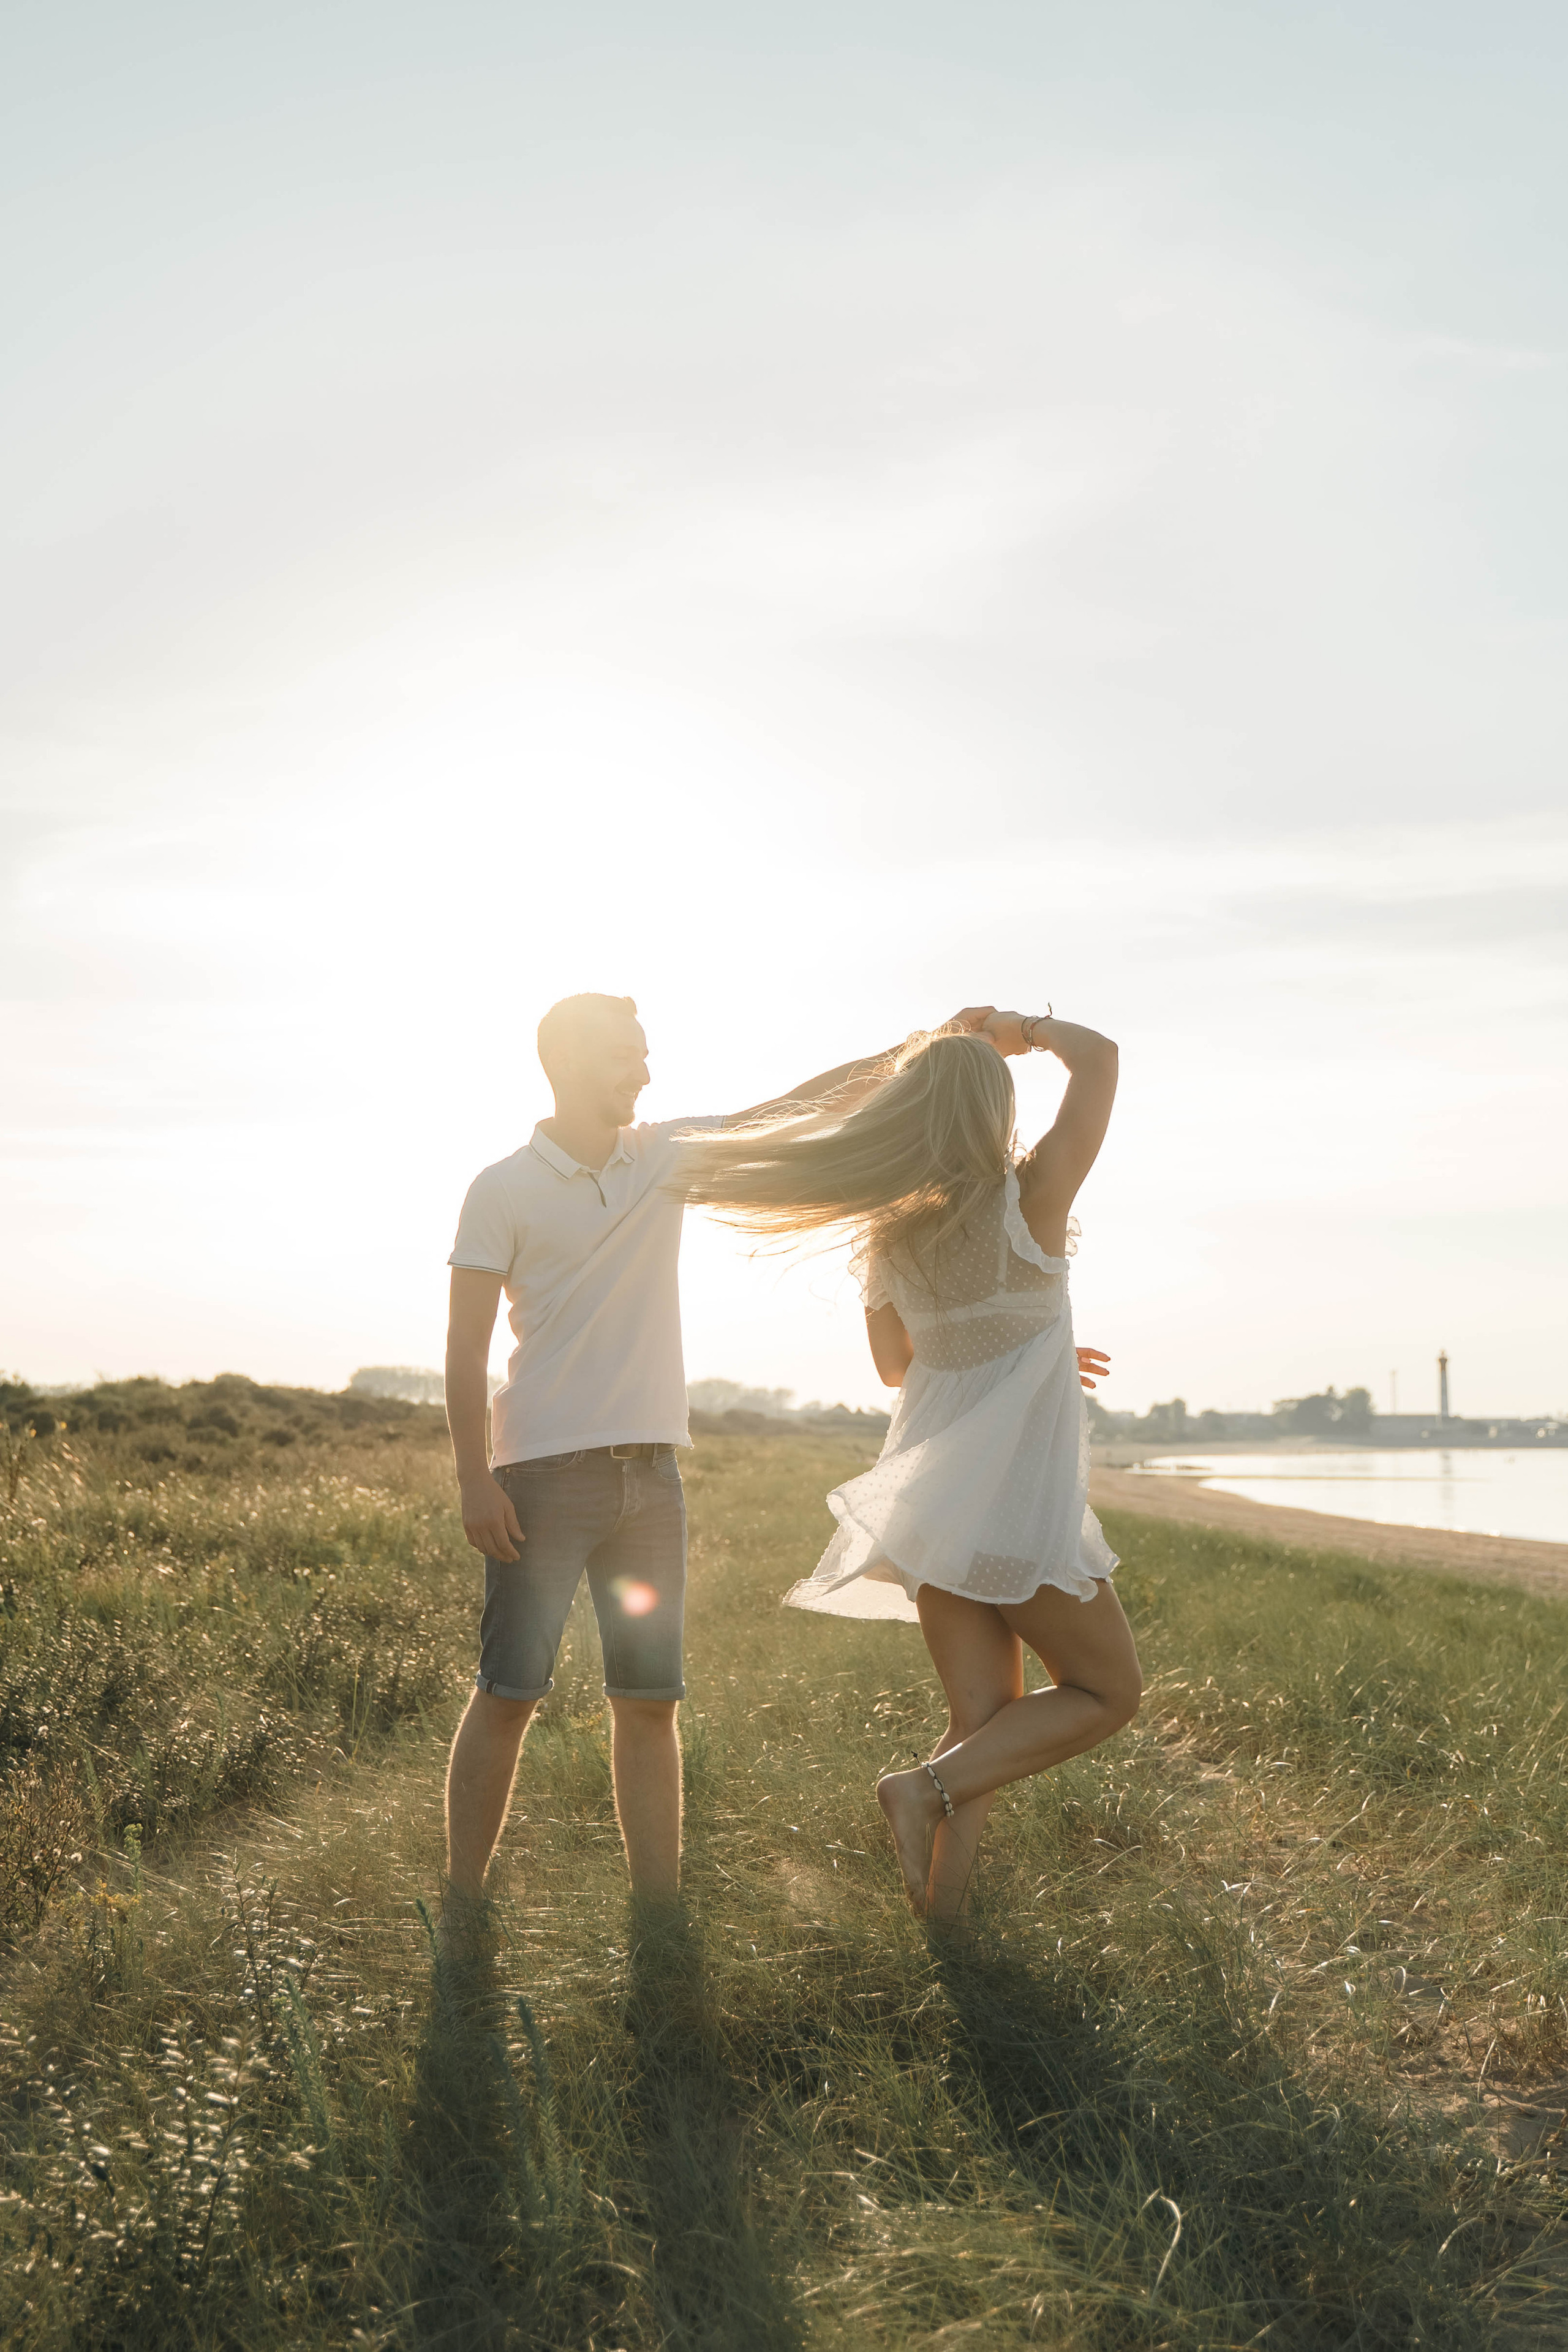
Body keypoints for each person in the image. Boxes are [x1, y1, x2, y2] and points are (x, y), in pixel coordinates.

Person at [441, 991, 1000, 1930]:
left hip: (652, 1479)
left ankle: (658, 1912)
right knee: (510, 1695)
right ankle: (462, 1903)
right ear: (573, 1062)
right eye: (629, 1055)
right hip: (540, 1477)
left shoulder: (662, 1157)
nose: (648, 1072)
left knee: (649, 1701)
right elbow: (462, 1352)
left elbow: (798, 1106)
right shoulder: (502, 1188)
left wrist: (928, 1045)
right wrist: (473, 1478)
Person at [678, 1008, 1140, 1923]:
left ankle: (945, 1926)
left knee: (983, 1726)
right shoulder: (1030, 1199)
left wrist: (1041, 1343)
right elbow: (1103, 1059)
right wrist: (1022, 1028)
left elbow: (898, 1367)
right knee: (1108, 1692)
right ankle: (919, 1792)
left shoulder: (890, 1237)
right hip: (1014, 1506)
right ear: (996, 1115)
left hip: (932, 1508)